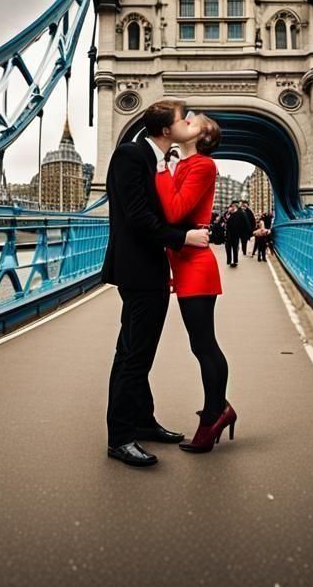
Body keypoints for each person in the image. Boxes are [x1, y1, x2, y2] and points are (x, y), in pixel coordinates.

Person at [101, 98, 210, 469]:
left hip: (150, 268)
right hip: (138, 269)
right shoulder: (130, 156)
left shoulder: (161, 161)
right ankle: (120, 437)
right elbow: (137, 216)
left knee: (136, 350)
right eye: (185, 119)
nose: (190, 122)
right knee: (134, 355)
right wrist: (182, 239)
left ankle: (142, 421)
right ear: (167, 130)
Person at [155, 112, 237, 452]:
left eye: (193, 121)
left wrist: (160, 169)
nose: (186, 118)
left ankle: (214, 416)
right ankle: (220, 407)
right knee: (201, 345)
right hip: (184, 262)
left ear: (202, 137)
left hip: (196, 267)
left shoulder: (202, 166)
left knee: (204, 345)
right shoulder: (182, 165)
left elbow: (173, 213)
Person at [224, 202, 245, 268]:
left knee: (235, 248)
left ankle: (235, 261)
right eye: (230, 207)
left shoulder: (239, 214)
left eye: (232, 207)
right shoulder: (228, 214)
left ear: (234, 207)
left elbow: (243, 223)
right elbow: (225, 221)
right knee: (228, 248)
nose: (230, 208)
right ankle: (229, 261)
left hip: (235, 234)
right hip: (228, 235)